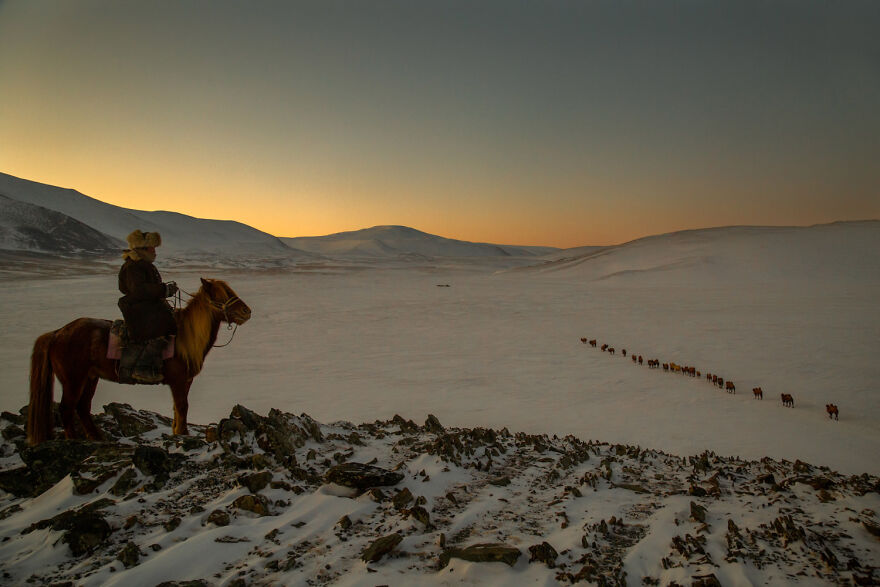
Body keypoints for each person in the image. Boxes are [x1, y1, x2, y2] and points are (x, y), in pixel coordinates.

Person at [117, 230, 178, 382]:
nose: (154, 251)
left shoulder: (143, 265)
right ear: (143, 249)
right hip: (138, 309)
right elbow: (139, 290)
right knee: (161, 329)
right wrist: (164, 290)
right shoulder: (133, 266)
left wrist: (164, 291)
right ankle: (142, 368)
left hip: (147, 306)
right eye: (152, 248)